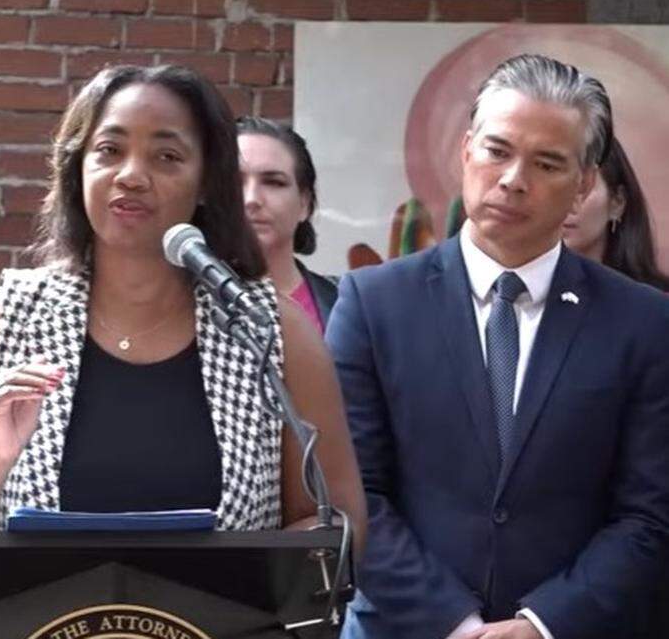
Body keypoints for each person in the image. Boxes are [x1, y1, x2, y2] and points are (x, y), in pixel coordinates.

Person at [0, 64, 366, 542]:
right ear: (77, 167)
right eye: (109, 151)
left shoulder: (268, 328)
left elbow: (340, 524)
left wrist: (242, 580)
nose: (133, 175)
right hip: (44, 619)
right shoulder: (4, 320)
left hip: (220, 618)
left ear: (206, 181)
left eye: (166, 156)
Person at [328, 54, 669, 639]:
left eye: (547, 163)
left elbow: (650, 513)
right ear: (466, 151)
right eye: (498, 150)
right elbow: (353, 495)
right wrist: (455, 623)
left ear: (584, 183)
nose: (514, 178)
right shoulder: (374, 303)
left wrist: (540, 624)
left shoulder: (642, 321)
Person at [237, 116, 337, 334]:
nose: (251, 199)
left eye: (274, 182)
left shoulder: (346, 305)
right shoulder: (176, 306)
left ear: (305, 204)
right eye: (235, 182)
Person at [562, 136, 669, 291]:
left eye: (582, 187)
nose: (565, 204)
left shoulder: (656, 306)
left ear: (617, 203)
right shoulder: (519, 296)